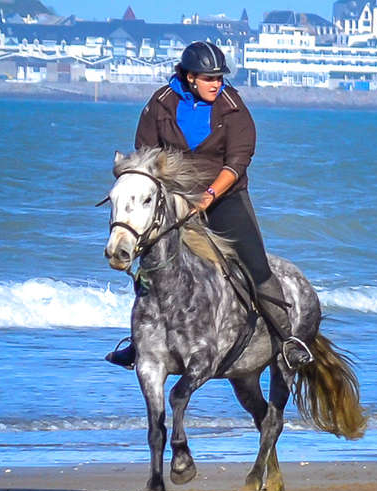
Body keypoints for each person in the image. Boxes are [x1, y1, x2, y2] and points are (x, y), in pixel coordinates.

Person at [104, 41, 313, 371]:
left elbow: (238, 160)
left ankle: (289, 341)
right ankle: (139, 341)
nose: (217, 83)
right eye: (209, 78)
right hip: (174, 201)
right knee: (151, 262)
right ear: (189, 77)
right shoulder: (160, 105)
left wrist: (208, 196)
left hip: (224, 197)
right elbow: (145, 157)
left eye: (219, 77)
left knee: (256, 265)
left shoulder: (232, 106)